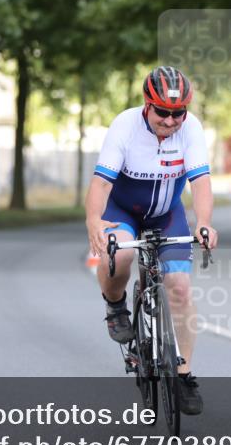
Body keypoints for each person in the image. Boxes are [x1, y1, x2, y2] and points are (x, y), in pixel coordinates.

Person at [84, 66, 218, 416]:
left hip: (166, 213)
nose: (171, 121)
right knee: (120, 257)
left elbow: (200, 182)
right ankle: (115, 305)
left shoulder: (191, 129)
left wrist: (204, 223)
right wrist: (94, 220)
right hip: (122, 210)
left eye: (178, 113)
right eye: (162, 112)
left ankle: (184, 375)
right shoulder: (125, 125)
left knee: (180, 288)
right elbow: (102, 182)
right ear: (147, 105)